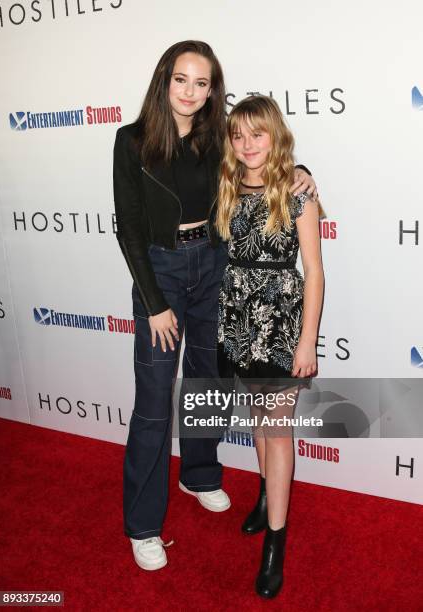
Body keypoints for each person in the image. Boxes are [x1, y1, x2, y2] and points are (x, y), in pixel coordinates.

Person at [113, 40, 317, 572]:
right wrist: (154, 302)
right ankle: (143, 524)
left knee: (206, 383)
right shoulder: (131, 141)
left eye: (201, 83)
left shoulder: (215, 141)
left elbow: (263, 160)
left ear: (211, 91)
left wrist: (304, 172)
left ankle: (199, 473)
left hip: (214, 265)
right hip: (161, 270)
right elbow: (129, 229)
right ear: (165, 80)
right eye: (181, 79)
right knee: (155, 402)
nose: (190, 91)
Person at [216, 95, 324, 598]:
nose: (247, 144)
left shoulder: (298, 192)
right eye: (238, 136)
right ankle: (264, 496)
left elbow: (315, 273)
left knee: (276, 430)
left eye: (257, 134)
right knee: (258, 421)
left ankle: (275, 543)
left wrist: (307, 341)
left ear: (275, 135)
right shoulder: (228, 185)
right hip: (236, 320)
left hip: (280, 323)